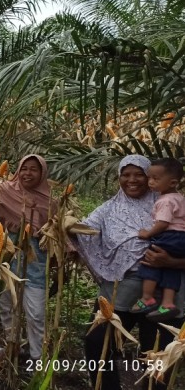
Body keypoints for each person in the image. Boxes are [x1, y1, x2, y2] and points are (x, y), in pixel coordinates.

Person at [76, 155, 184, 389]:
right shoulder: (108, 210)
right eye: (126, 174)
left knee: (157, 352)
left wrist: (172, 261)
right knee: (97, 343)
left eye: (139, 174)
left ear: (151, 177)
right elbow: (83, 229)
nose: (131, 180)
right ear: (119, 177)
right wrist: (63, 224)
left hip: (166, 290)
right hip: (120, 288)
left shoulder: (171, 204)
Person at [0, 155, 57, 362]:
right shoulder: (4, 190)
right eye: (24, 169)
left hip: (36, 265)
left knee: (36, 313)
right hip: (7, 260)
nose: (27, 174)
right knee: (6, 305)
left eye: (33, 170)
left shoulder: (51, 202)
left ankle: (37, 358)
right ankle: (12, 345)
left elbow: (58, 234)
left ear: (42, 174)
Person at [132, 157, 185, 321]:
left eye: (156, 179)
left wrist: (148, 234)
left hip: (169, 236)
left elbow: (163, 223)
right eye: (149, 178)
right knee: (171, 268)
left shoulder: (166, 200)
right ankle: (168, 303)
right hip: (181, 239)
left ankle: (147, 297)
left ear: (172, 182)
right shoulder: (180, 198)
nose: (150, 182)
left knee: (151, 262)